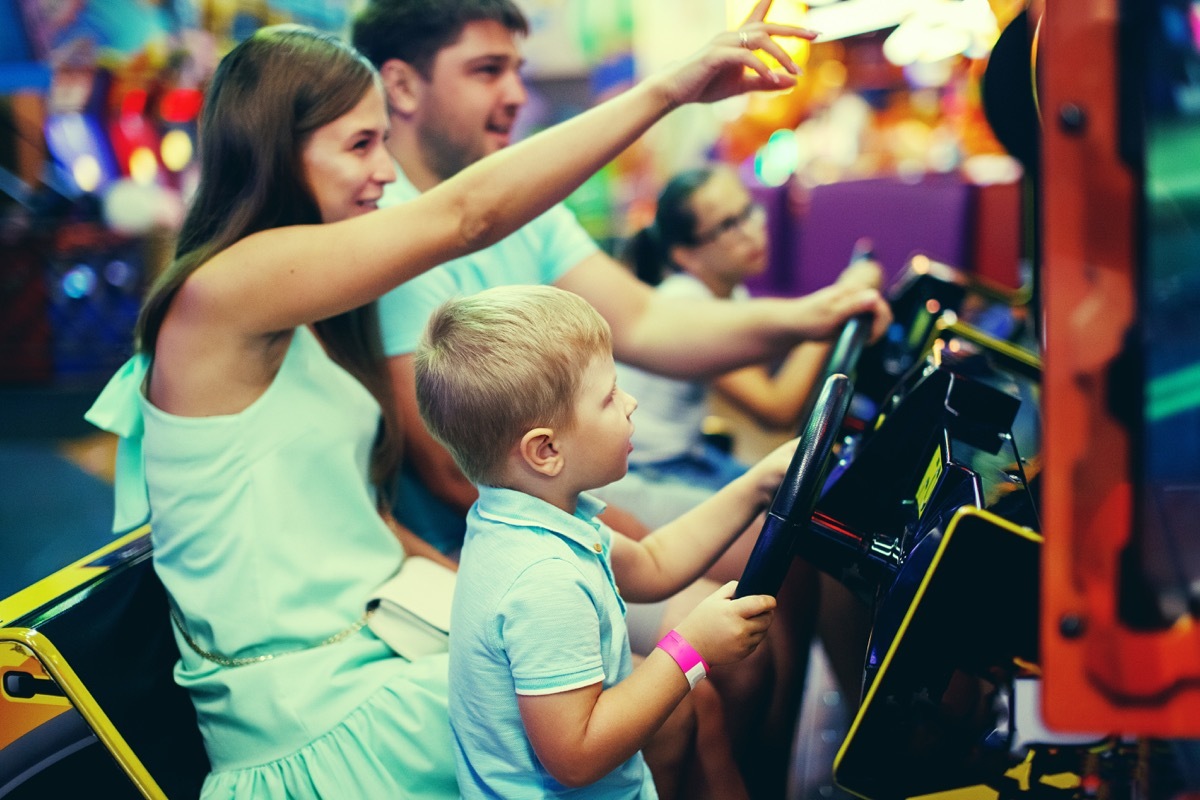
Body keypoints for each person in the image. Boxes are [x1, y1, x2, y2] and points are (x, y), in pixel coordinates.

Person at [82, 16, 823, 798]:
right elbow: (463, 217)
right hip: (315, 699)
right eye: (359, 146)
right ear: (277, 150)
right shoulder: (220, 294)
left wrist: (475, 588)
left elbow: (351, 517)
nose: (381, 172)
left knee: (678, 700)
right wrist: (672, 89)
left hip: (383, 631)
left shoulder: (302, 318)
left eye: (381, 141)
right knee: (665, 706)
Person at [349, 0, 892, 558]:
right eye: (487, 70)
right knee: (777, 549)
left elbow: (648, 320)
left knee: (802, 531)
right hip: (498, 538)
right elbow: (456, 473)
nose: (514, 95)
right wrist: (643, 547)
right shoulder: (380, 229)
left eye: (516, 70)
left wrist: (816, 314)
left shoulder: (528, 215)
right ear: (403, 86)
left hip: (569, 488)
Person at [414, 284, 799, 799]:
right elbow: (576, 755)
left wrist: (754, 487)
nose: (630, 402)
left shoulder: (532, 515)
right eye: (609, 396)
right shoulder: (542, 580)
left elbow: (655, 563)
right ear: (545, 449)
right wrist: (692, 649)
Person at [595, 165, 884, 530]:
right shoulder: (689, 301)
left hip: (689, 453)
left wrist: (833, 312)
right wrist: (836, 311)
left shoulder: (730, 293)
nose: (752, 231)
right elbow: (777, 408)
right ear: (686, 255)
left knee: (814, 501)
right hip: (647, 468)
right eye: (729, 225)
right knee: (798, 522)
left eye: (749, 211)